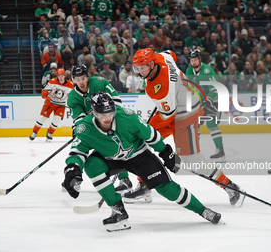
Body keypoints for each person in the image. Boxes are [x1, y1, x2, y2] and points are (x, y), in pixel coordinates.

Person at [63, 91, 224, 232]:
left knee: (166, 189)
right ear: (93, 113)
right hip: (111, 159)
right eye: (102, 115)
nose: (107, 118)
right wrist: (73, 168)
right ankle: (118, 211)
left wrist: (165, 152)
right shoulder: (84, 128)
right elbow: (77, 151)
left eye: (110, 113)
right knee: (92, 165)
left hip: (139, 155)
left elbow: (150, 134)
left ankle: (203, 211)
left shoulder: (126, 116)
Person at [132, 48, 245, 207]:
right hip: (175, 107)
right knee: (143, 144)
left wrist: (147, 129)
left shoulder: (159, 89)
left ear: (152, 64)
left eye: (142, 67)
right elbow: (171, 53)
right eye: (138, 67)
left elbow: (167, 115)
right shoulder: (161, 57)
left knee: (192, 160)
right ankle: (144, 184)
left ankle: (230, 186)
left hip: (185, 115)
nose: (139, 71)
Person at [67, 64, 132, 194]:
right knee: (78, 148)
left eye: (83, 78)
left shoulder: (100, 82)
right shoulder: (73, 97)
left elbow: (117, 102)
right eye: (77, 79)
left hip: (110, 121)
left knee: (116, 147)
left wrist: (110, 121)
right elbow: (79, 119)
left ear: (88, 77)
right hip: (92, 127)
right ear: (73, 80)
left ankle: (125, 179)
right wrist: (80, 131)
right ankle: (75, 177)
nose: (81, 82)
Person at [186, 49, 227, 162]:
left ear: (199, 59)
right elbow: (190, 87)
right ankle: (194, 152)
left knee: (211, 123)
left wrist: (207, 101)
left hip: (215, 100)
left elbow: (214, 90)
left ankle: (221, 153)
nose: (193, 62)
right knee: (195, 126)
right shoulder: (189, 70)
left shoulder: (207, 71)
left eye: (195, 60)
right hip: (202, 100)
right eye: (191, 60)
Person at [29, 68, 74, 142]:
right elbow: (44, 91)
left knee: (57, 121)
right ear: (57, 76)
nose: (60, 78)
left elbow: (72, 96)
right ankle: (34, 132)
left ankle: (49, 133)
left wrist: (72, 102)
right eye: (59, 76)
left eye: (62, 75)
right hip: (50, 103)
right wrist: (46, 97)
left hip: (60, 105)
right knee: (42, 118)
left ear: (64, 76)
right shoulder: (52, 82)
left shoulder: (70, 85)